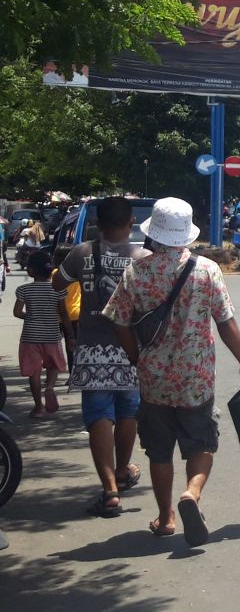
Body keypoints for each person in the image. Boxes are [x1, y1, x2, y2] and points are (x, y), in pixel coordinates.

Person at [104, 197, 240, 546]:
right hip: (196, 377)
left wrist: (136, 356)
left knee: (159, 450)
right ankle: (192, 494)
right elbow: (225, 321)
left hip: (153, 379)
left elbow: (119, 322)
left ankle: (166, 517)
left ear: (154, 232)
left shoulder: (137, 272)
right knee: (202, 442)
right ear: (186, 234)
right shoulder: (206, 270)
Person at [55, 196, 151, 517]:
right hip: (130, 349)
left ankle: (110, 491)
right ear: (131, 224)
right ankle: (123, 470)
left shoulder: (81, 253)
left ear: (97, 223)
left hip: (92, 348)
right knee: (128, 413)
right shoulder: (142, 257)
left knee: (99, 416)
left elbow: (58, 283)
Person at [14, 250, 69, 418]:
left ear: (30, 271)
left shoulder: (24, 290)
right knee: (52, 365)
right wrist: (71, 335)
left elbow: (17, 312)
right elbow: (64, 314)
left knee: (34, 372)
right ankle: (50, 387)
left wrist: (29, 316)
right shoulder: (57, 290)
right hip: (52, 335)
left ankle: (38, 407)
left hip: (31, 336)